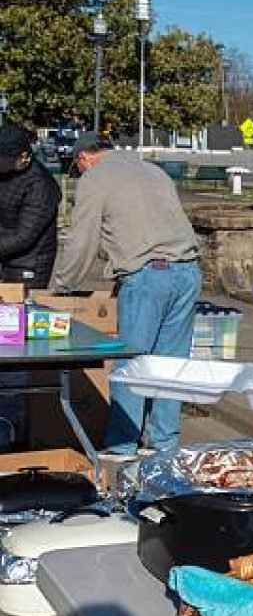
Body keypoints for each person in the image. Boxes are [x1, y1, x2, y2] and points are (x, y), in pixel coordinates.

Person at [50, 132, 201, 457]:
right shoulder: (151, 170)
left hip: (148, 275)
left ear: (83, 159)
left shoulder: (95, 179)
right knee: (170, 365)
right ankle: (164, 446)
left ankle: (121, 448)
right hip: (187, 270)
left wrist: (62, 286)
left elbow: (82, 241)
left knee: (130, 364)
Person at [0, 123, 61, 288]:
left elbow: (24, 235)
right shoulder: (6, 175)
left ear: (24, 156)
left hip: (29, 263)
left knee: (20, 310)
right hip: (7, 256)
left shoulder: (41, 185)